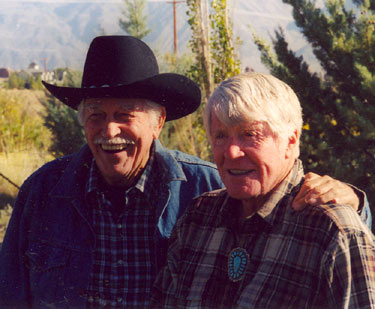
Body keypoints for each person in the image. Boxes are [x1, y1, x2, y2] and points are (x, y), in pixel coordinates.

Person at [0, 36, 369, 308]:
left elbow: (351, 250)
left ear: (158, 121)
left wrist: (355, 203)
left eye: (125, 115)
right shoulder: (43, 191)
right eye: (96, 115)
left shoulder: (204, 186)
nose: (109, 131)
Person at [150, 73, 375, 308]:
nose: (232, 152)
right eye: (220, 136)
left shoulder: (330, 231)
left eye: (250, 134)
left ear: (290, 140)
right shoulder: (198, 218)